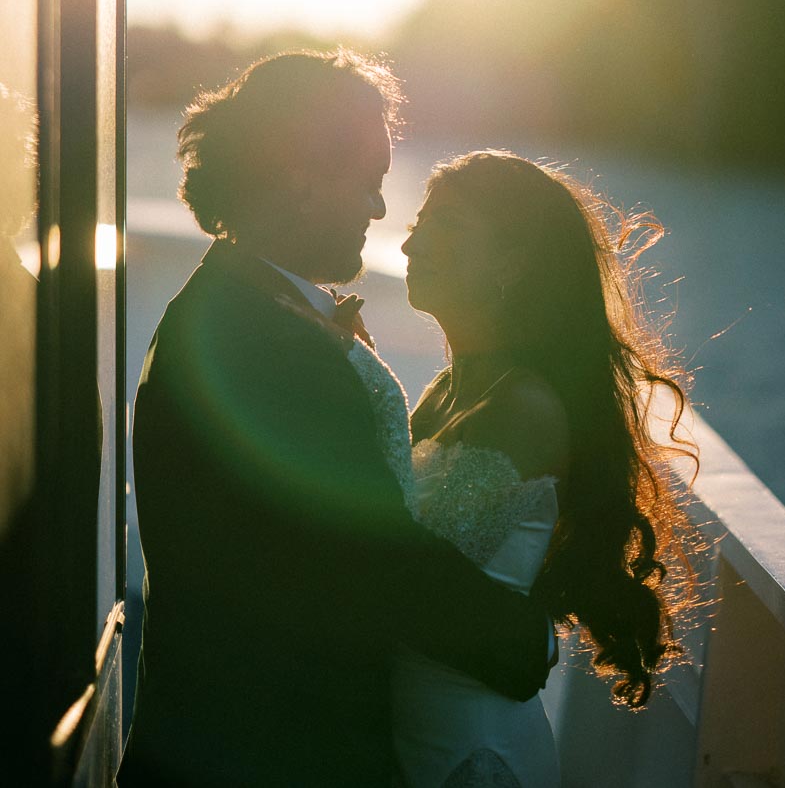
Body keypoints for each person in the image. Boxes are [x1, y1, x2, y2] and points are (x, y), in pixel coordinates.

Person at [117, 53, 552, 788]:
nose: (380, 212)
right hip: (268, 757)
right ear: (299, 174)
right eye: (369, 183)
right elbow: (370, 564)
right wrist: (526, 638)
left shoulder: (235, 305)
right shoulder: (263, 345)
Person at [391, 150, 696, 788]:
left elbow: (424, 570)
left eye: (447, 226)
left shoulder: (522, 406)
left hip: (468, 750)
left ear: (512, 261)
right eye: (421, 221)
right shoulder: (446, 390)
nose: (414, 240)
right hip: (408, 730)